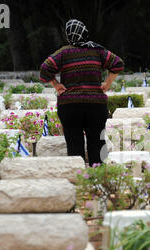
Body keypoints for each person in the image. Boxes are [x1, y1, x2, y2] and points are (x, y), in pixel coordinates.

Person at [40, 19, 124, 165]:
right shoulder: (97, 50)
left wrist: (56, 84)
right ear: (84, 32)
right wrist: (107, 84)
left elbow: (45, 68)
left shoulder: (63, 52)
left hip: (70, 106)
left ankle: (78, 180)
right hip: (95, 105)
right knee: (97, 145)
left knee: (74, 146)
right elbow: (117, 63)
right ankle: (98, 181)